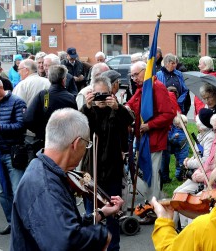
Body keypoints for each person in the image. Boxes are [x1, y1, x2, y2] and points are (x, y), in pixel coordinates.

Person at [11, 108, 124, 251]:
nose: (86, 149)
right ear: (77, 143)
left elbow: (62, 224)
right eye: (87, 144)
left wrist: (101, 213)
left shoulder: (42, 168)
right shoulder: (46, 187)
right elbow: (65, 242)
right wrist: (102, 235)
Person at [80, 77, 134, 251]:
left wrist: (117, 107)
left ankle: (113, 247)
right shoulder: (89, 110)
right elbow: (79, 126)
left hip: (112, 170)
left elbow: (129, 121)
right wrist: (87, 106)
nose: (101, 99)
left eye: (104, 94)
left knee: (112, 215)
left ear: (111, 93)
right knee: (91, 215)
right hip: (92, 171)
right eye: (97, 94)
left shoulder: (117, 110)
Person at [126, 61, 175, 223]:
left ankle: (154, 210)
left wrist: (149, 125)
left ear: (144, 71)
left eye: (136, 74)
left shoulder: (157, 87)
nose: (133, 78)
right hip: (143, 140)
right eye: (131, 75)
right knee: (147, 176)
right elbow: (132, 104)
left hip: (154, 140)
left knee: (152, 177)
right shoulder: (144, 88)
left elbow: (168, 113)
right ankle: (150, 206)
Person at [0, 78, 27, 235]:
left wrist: (0, 128)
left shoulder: (17, 102)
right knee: (2, 193)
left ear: (1, 88)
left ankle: (22, 224)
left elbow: (22, 125)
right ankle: (11, 222)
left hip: (13, 153)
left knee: (17, 191)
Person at [24, 65, 78, 146]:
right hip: (65, 141)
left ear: (49, 79)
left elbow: (28, 119)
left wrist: (40, 131)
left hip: (46, 141)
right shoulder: (70, 98)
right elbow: (75, 122)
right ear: (64, 80)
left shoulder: (43, 95)